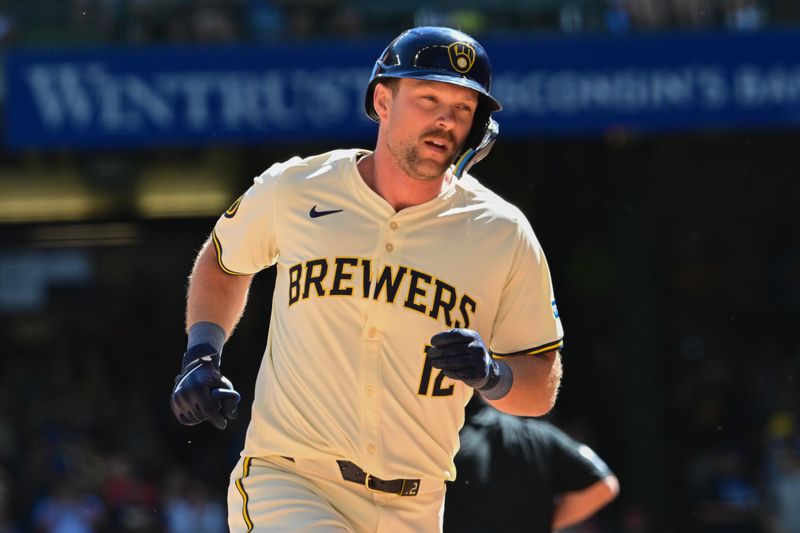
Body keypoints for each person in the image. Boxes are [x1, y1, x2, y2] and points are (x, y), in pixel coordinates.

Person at [169, 26, 565, 533]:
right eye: (428, 98)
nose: (445, 119)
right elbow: (224, 262)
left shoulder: (501, 233)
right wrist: (201, 353)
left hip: (417, 504)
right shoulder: (296, 188)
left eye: (463, 108)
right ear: (382, 99)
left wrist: (494, 375)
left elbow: (541, 384)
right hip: (292, 481)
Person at [444, 398, 619, 533]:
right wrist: (543, 522)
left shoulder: (439, 443)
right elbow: (605, 485)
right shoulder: (537, 434)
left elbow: (605, 485)